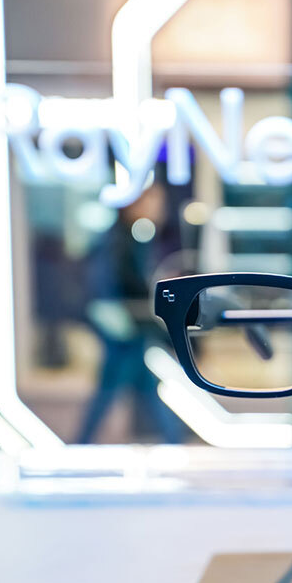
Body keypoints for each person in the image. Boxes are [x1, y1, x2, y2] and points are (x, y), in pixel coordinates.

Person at [76, 187, 184, 444]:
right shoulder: (124, 237)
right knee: (117, 387)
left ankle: (174, 440)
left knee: (137, 386)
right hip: (123, 324)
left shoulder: (126, 235)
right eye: (153, 202)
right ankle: (81, 442)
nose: (158, 209)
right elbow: (128, 281)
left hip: (125, 323)